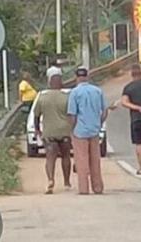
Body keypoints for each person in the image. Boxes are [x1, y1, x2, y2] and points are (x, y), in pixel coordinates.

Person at [67, 67, 108, 195]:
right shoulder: (97, 91)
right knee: (95, 159)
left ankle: (84, 188)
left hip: (80, 131)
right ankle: (98, 187)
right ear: (87, 76)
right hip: (94, 130)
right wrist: (99, 123)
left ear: (77, 78)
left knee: (82, 160)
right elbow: (105, 110)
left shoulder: (74, 93)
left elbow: (72, 114)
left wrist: (71, 129)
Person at [34, 74, 72, 194]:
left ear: (49, 84)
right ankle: (66, 182)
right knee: (66, 156)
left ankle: (50, 180)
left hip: (49, 132)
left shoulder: (42, 98)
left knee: (50, 158)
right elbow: (71, 114)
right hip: (64, 131)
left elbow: (36, 116)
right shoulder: (67, 97)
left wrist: (37, 129)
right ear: (61, 84)